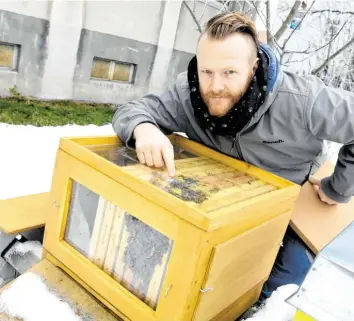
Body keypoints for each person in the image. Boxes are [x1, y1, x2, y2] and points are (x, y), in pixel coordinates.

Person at [112, 11, 354, 301]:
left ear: (253, 68)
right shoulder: (186, 94)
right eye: (207, 72)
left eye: (229, 73)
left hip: (289, 197)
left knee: (287, 282)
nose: (215, 87)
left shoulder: (303, 100)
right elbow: (131, 110)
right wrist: (144, 127)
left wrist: (337, 188)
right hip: (218, 195)